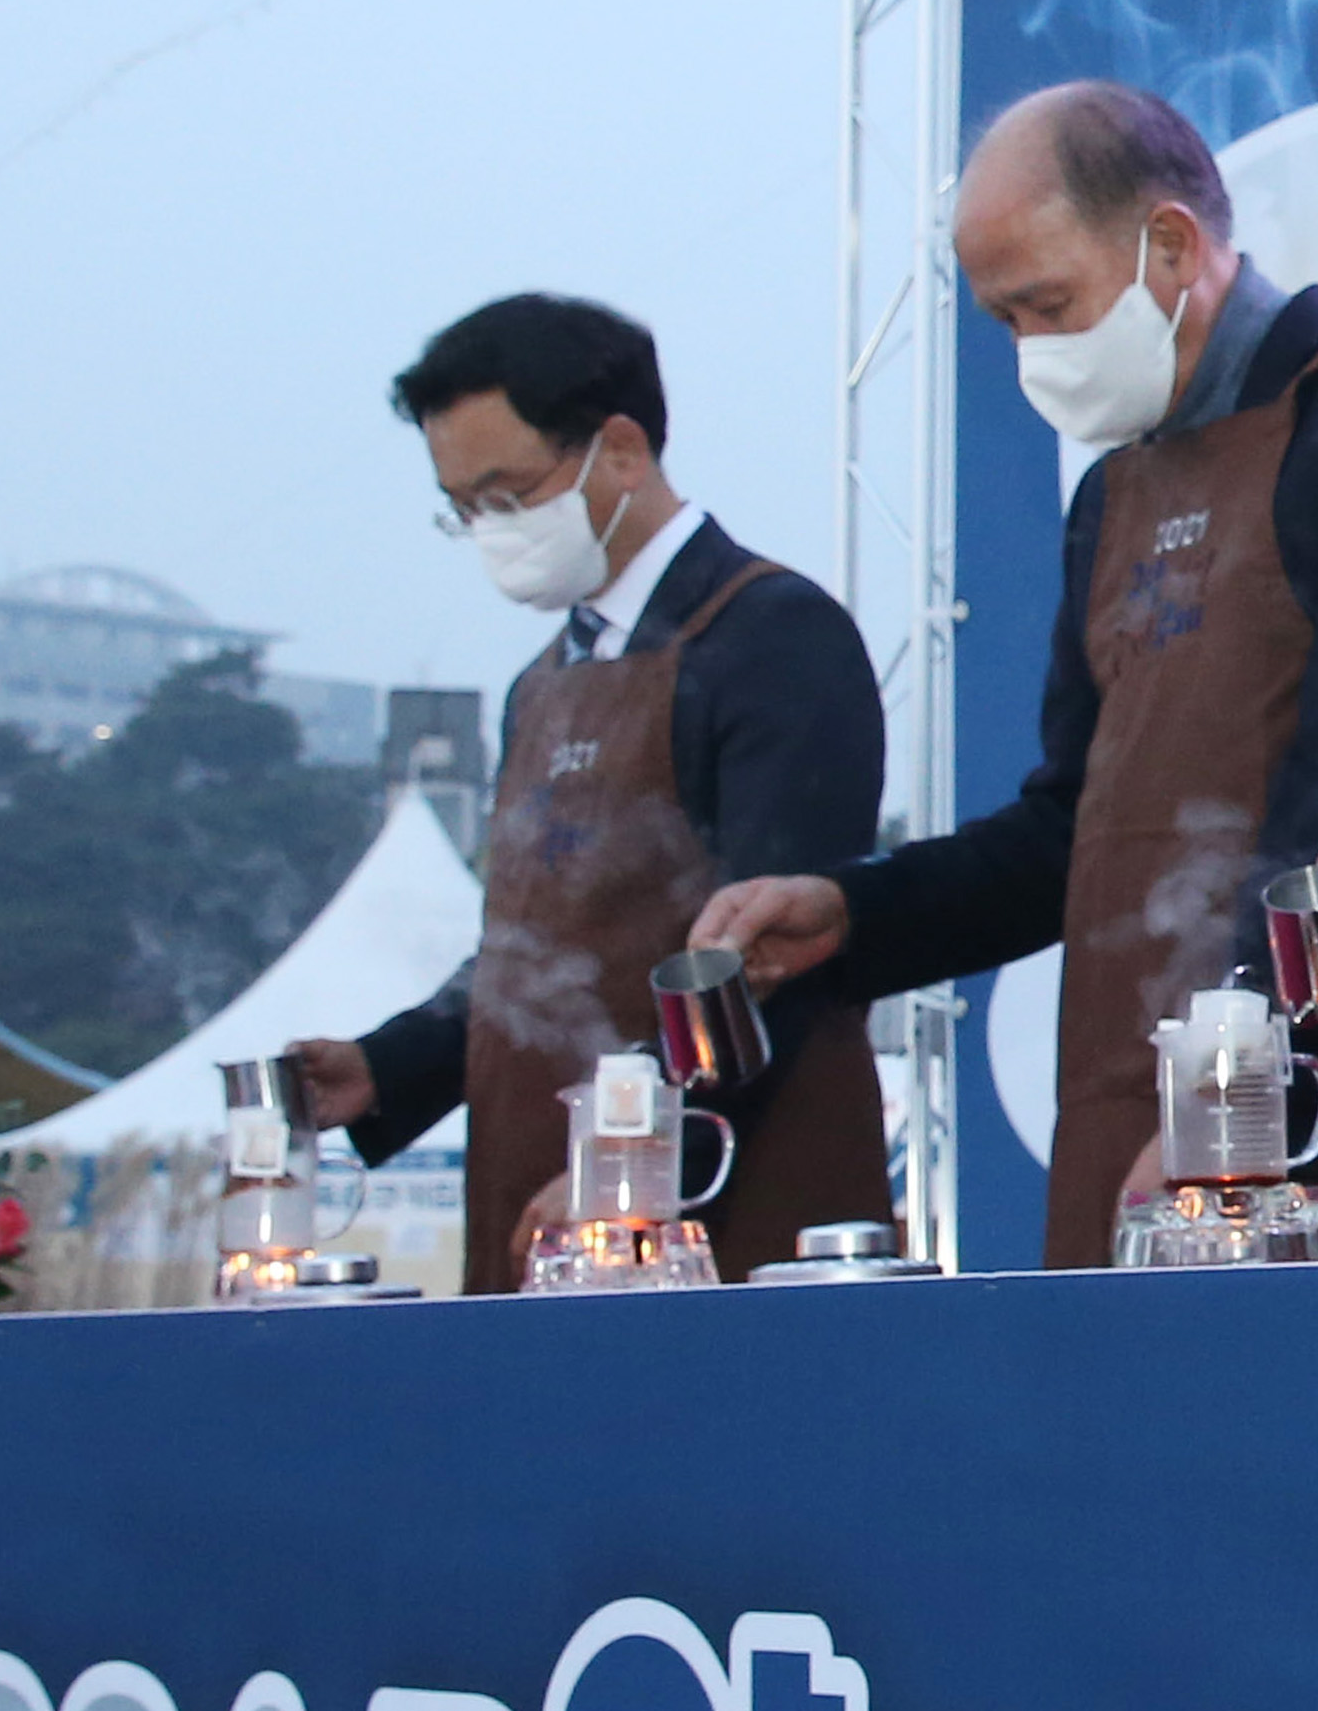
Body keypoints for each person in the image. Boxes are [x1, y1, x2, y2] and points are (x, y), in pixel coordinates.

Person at [689, 83, 1318, 1265]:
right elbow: (1073, 830)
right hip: (1143, 1105)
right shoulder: (1114, 496)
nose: (1030, 353)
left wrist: (1227, 1092)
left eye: (1048, 306)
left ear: (1172, 246)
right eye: (1003, 321)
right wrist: (854, 916)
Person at [289, 294, 896, 1290]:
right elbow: (532, 957)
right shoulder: (539, 685)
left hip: (723, 1203)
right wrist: (384, 1067)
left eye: (508, 494)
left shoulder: (773, 636)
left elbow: (773, 961)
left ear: (620, 450)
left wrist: (635, 1152)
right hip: (539, 1186)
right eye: (463, 508)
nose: (489, 529)